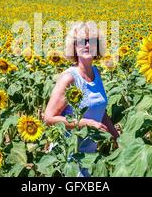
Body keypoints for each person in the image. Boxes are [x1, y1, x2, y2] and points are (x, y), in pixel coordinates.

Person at [43, 22, 119, 176]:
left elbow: (100, 111)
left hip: (88, 156)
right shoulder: (69, 78)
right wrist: (84, 123)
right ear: (74, 47)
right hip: (68, 156)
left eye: (91, 41)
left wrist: (117, 137)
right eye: (81, 41)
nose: (87, 45)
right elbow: (48, 118)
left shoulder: (96, 73)